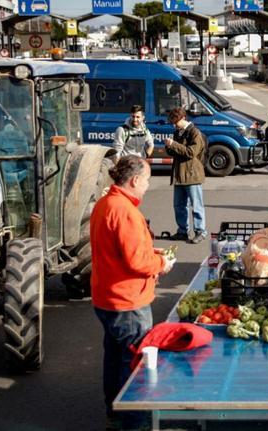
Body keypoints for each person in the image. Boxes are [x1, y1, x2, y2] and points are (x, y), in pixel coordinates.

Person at [90, 156, 176, 431]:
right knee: (136, 363)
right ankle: (134, 422)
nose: (148, 185)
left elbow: (119, 251)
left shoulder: (105, 204)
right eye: (148, 180)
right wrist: (162, 264)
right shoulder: (125, 211)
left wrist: (152, 252)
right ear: (135, 180)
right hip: (128, 300)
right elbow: (136, 262)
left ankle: (114, 414)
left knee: (114, 359)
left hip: (108, 296)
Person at [164, 107, 208, 244]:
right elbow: (176, 152)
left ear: (183, 118)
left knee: (196, 205)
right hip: (179, 174)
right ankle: (182, 231)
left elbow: (191, 152)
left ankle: (200, 231)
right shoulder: (178, 132)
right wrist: (169, 147)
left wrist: (174, 145)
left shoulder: (194, 133)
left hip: (192, 175)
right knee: (179, 205)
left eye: (175, 122)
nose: (173, 125)